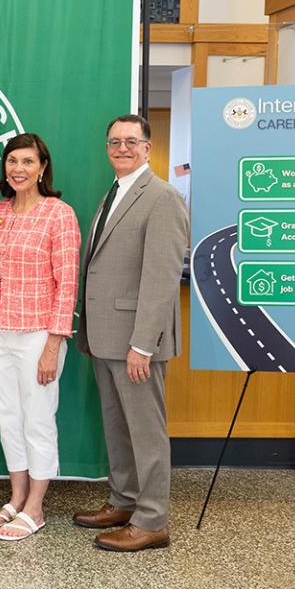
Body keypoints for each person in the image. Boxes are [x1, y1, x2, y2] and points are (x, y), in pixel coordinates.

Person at [73, 114, 188, 552]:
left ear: (148, 147)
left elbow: (160, 279)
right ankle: (124, 501)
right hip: (105, 336)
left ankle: (153, 519)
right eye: (114, 142)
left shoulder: (162, 197)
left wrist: (143, 344)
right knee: (118, 426)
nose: (122, 148)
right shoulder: (115, 193)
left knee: (145, 430)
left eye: (131, 141)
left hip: (135, 341)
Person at [0, 133, 80, 542]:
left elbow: (67, 284)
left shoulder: (59, 214)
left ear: (42, 168)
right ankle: (15, 498)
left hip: (38, 335)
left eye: (28, 162)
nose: (18, 169)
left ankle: (36, 507)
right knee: (7, 417)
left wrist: (53, 345)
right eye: (12, 161)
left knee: (37, 418)